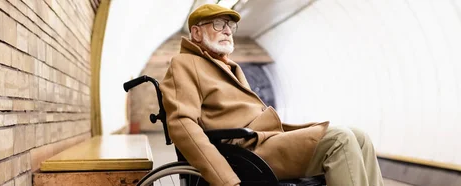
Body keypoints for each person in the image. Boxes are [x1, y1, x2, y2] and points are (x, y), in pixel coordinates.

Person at [159, 4, 384, 186]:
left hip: (266, 138)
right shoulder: (184, 64)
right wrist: (226, 179)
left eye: (229, 25)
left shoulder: (228, 66)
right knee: (340, 139)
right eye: (218, 24)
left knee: (360, 137)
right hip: (245, 151)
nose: (227, 30)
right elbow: (182, 123)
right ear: (196, 32)